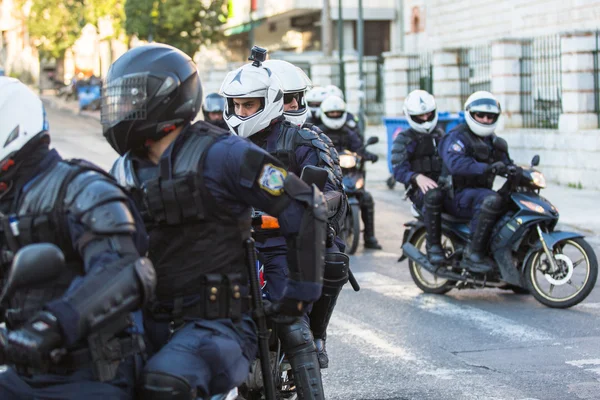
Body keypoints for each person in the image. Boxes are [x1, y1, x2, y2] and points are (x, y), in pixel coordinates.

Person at [103, 43, 327, 400]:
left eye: (131, 100)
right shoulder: (124, 170)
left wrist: (297, 298)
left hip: (216, 324)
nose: (121, 110)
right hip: (146, 318)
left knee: (166, 385)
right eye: (117, 101)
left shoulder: (225, 154)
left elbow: (301, 202)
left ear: (166, 98)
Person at [0, 77, 156, 399]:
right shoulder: (9, 198)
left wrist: (52, 325)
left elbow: (124, 269)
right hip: (23, 372)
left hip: (90, 374)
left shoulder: (81, 188)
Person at [220, 48, 347, 390]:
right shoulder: (224, 146)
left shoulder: (300, 139)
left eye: (250, 105)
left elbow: (318, 191)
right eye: (237, 105)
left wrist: (311, 203)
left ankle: (312, 342)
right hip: (231, 244)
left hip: (281, 243)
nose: (241, 112)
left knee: (294, 320)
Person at [258, 59, 348, 370]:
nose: (292, 105)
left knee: (334, 258)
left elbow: (333, 188)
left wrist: (317, 205)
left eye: (295, 97)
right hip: (244, 231)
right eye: (284, 99)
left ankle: (317, 335)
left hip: (293, 231)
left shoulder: (308, 138)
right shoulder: (234, 137)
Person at [439, 91, 512, 273]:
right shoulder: (457, 137)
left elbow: (506, 163)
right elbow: (456, 164)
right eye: (481, 115)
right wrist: (487, 168)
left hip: (477, 195)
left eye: (491, 116)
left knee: (510, 201)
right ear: (470, 114)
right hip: (455, 195)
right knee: (491, 199)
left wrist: (517, 171)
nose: (486, 119)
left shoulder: (494, 141)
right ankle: (474, 253)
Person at [318, 95, 382, 250]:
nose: (334, 115)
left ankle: (369, 237)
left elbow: (359, 148)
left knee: (366, 198)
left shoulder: (349, 132)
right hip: (329, 175)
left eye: (337, 113)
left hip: (349, 174)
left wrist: (367, 155)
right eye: (331, 113)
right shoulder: (318, 132)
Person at [391, 89, 446, 265]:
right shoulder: (404, 138)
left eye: (428, 115)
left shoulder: (441, 134)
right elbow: (398, 169)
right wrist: (415, 177)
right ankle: (433, 246)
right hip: (420, 190)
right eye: (420, 116)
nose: (425, 119)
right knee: (433, 196)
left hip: (444, 184)